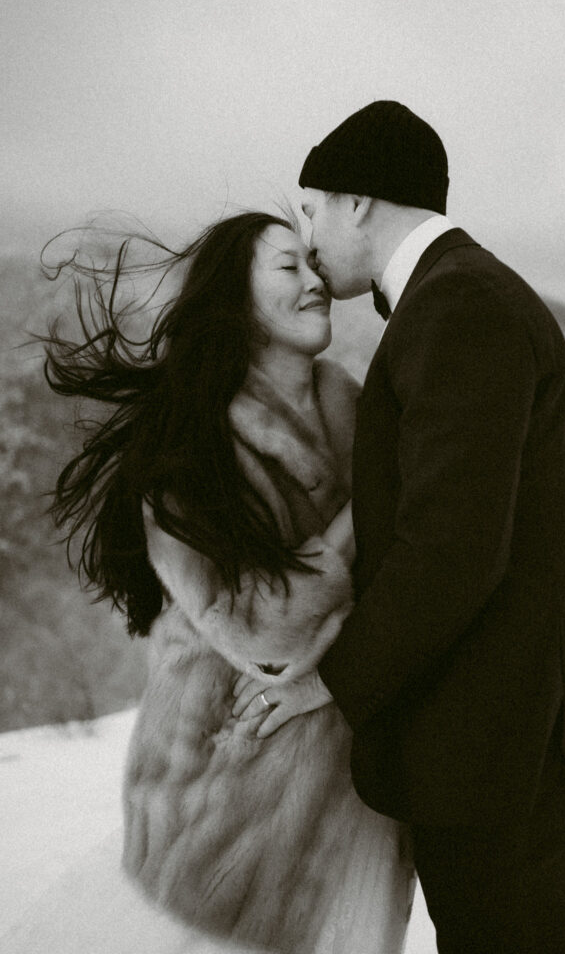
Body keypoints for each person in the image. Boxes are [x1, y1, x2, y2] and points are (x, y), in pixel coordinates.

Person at [270, 100, 565, 954]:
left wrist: (329, 681)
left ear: (360, 201)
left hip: (498, 763)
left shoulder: (459, 306)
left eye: (311, 207)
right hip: (498, 753)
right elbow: (499, 509)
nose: (309, 236)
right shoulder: (462, 298)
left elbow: (452, 549)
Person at [33, 211, 415, 954]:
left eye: (312, 263)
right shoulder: (190, 445)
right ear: (236, 302)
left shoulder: (355, 408)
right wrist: (370, 509)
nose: (315, 281)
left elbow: (434, 535)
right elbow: (261, 631)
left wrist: (563, 565)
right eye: (286, 268)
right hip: (229, 811)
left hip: (353, 808)